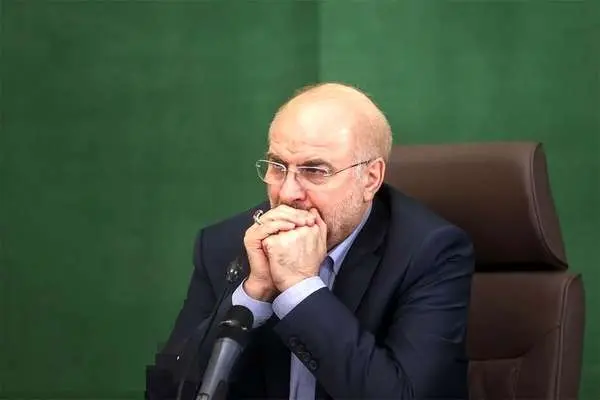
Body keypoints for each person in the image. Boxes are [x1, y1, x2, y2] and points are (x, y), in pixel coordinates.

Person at [146, 82, 474, 399]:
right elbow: (168, 392)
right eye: (278, 166)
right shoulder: (227, 244)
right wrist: (252, 294)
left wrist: (300, 288)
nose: (288, 193)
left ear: (370, 179)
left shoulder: (429, 252)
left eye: (315, 171)